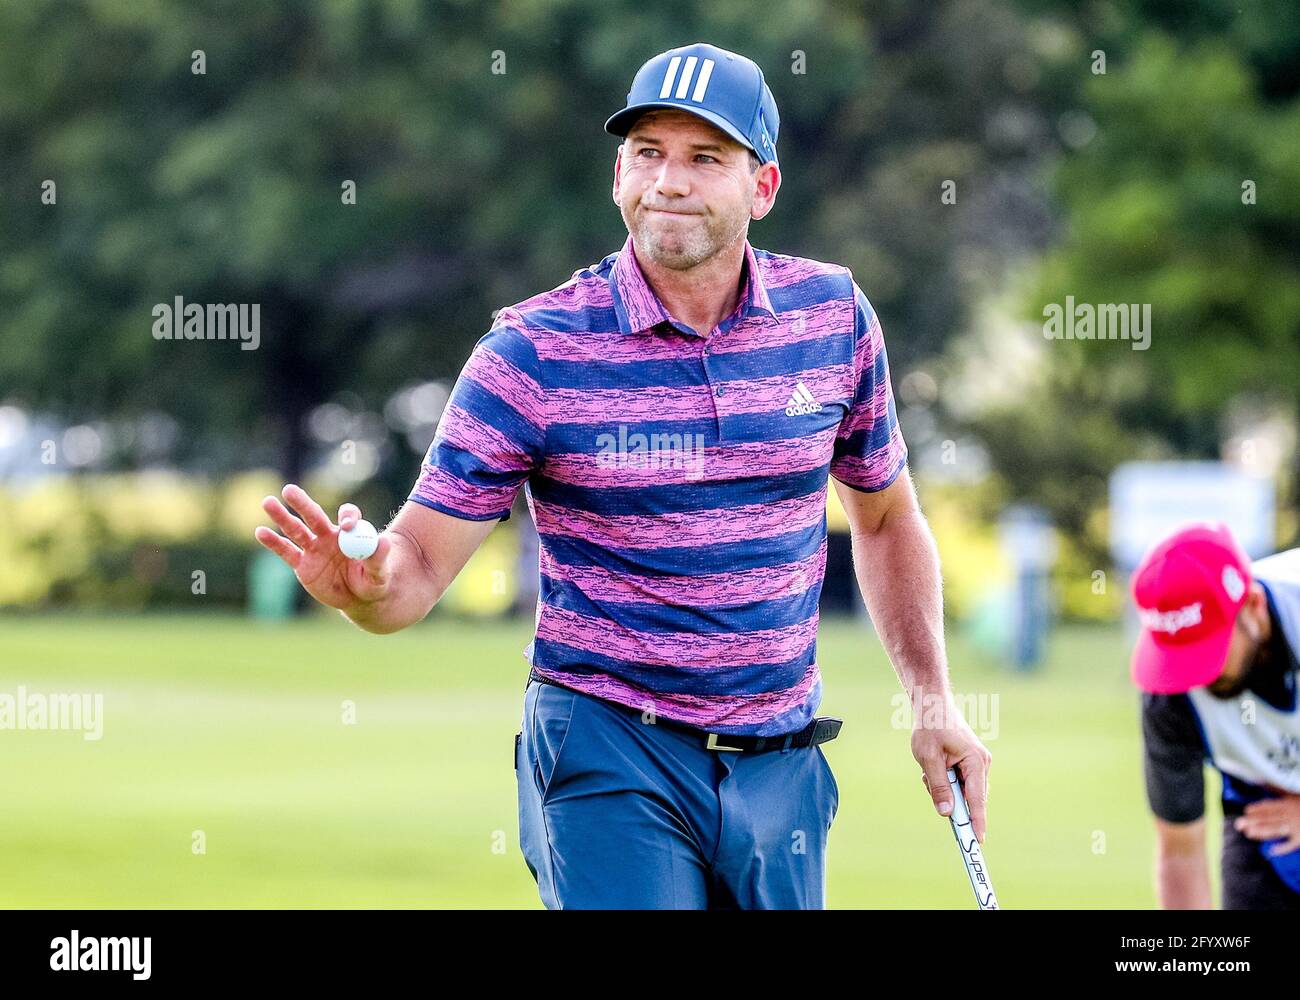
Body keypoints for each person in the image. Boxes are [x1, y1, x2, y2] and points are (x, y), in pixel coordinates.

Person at [255, 41, 990, 909]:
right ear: (617, 174)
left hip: (781, 765)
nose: (669, 182)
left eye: (704, 158)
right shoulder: (531, 352)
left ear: (763, 186)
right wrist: (365, 589)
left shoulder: (832, 319)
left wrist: (933, 699)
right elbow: (412, 569)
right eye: (649, 153)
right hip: (609, 747)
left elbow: (883, 519)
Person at [1131, 521, 1300, 909]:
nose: (1194, 676)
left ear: (1253, 606)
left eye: (1208, 650)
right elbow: (1180, 851)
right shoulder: (1168, 693)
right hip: (1263, 807)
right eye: (1179, 656)